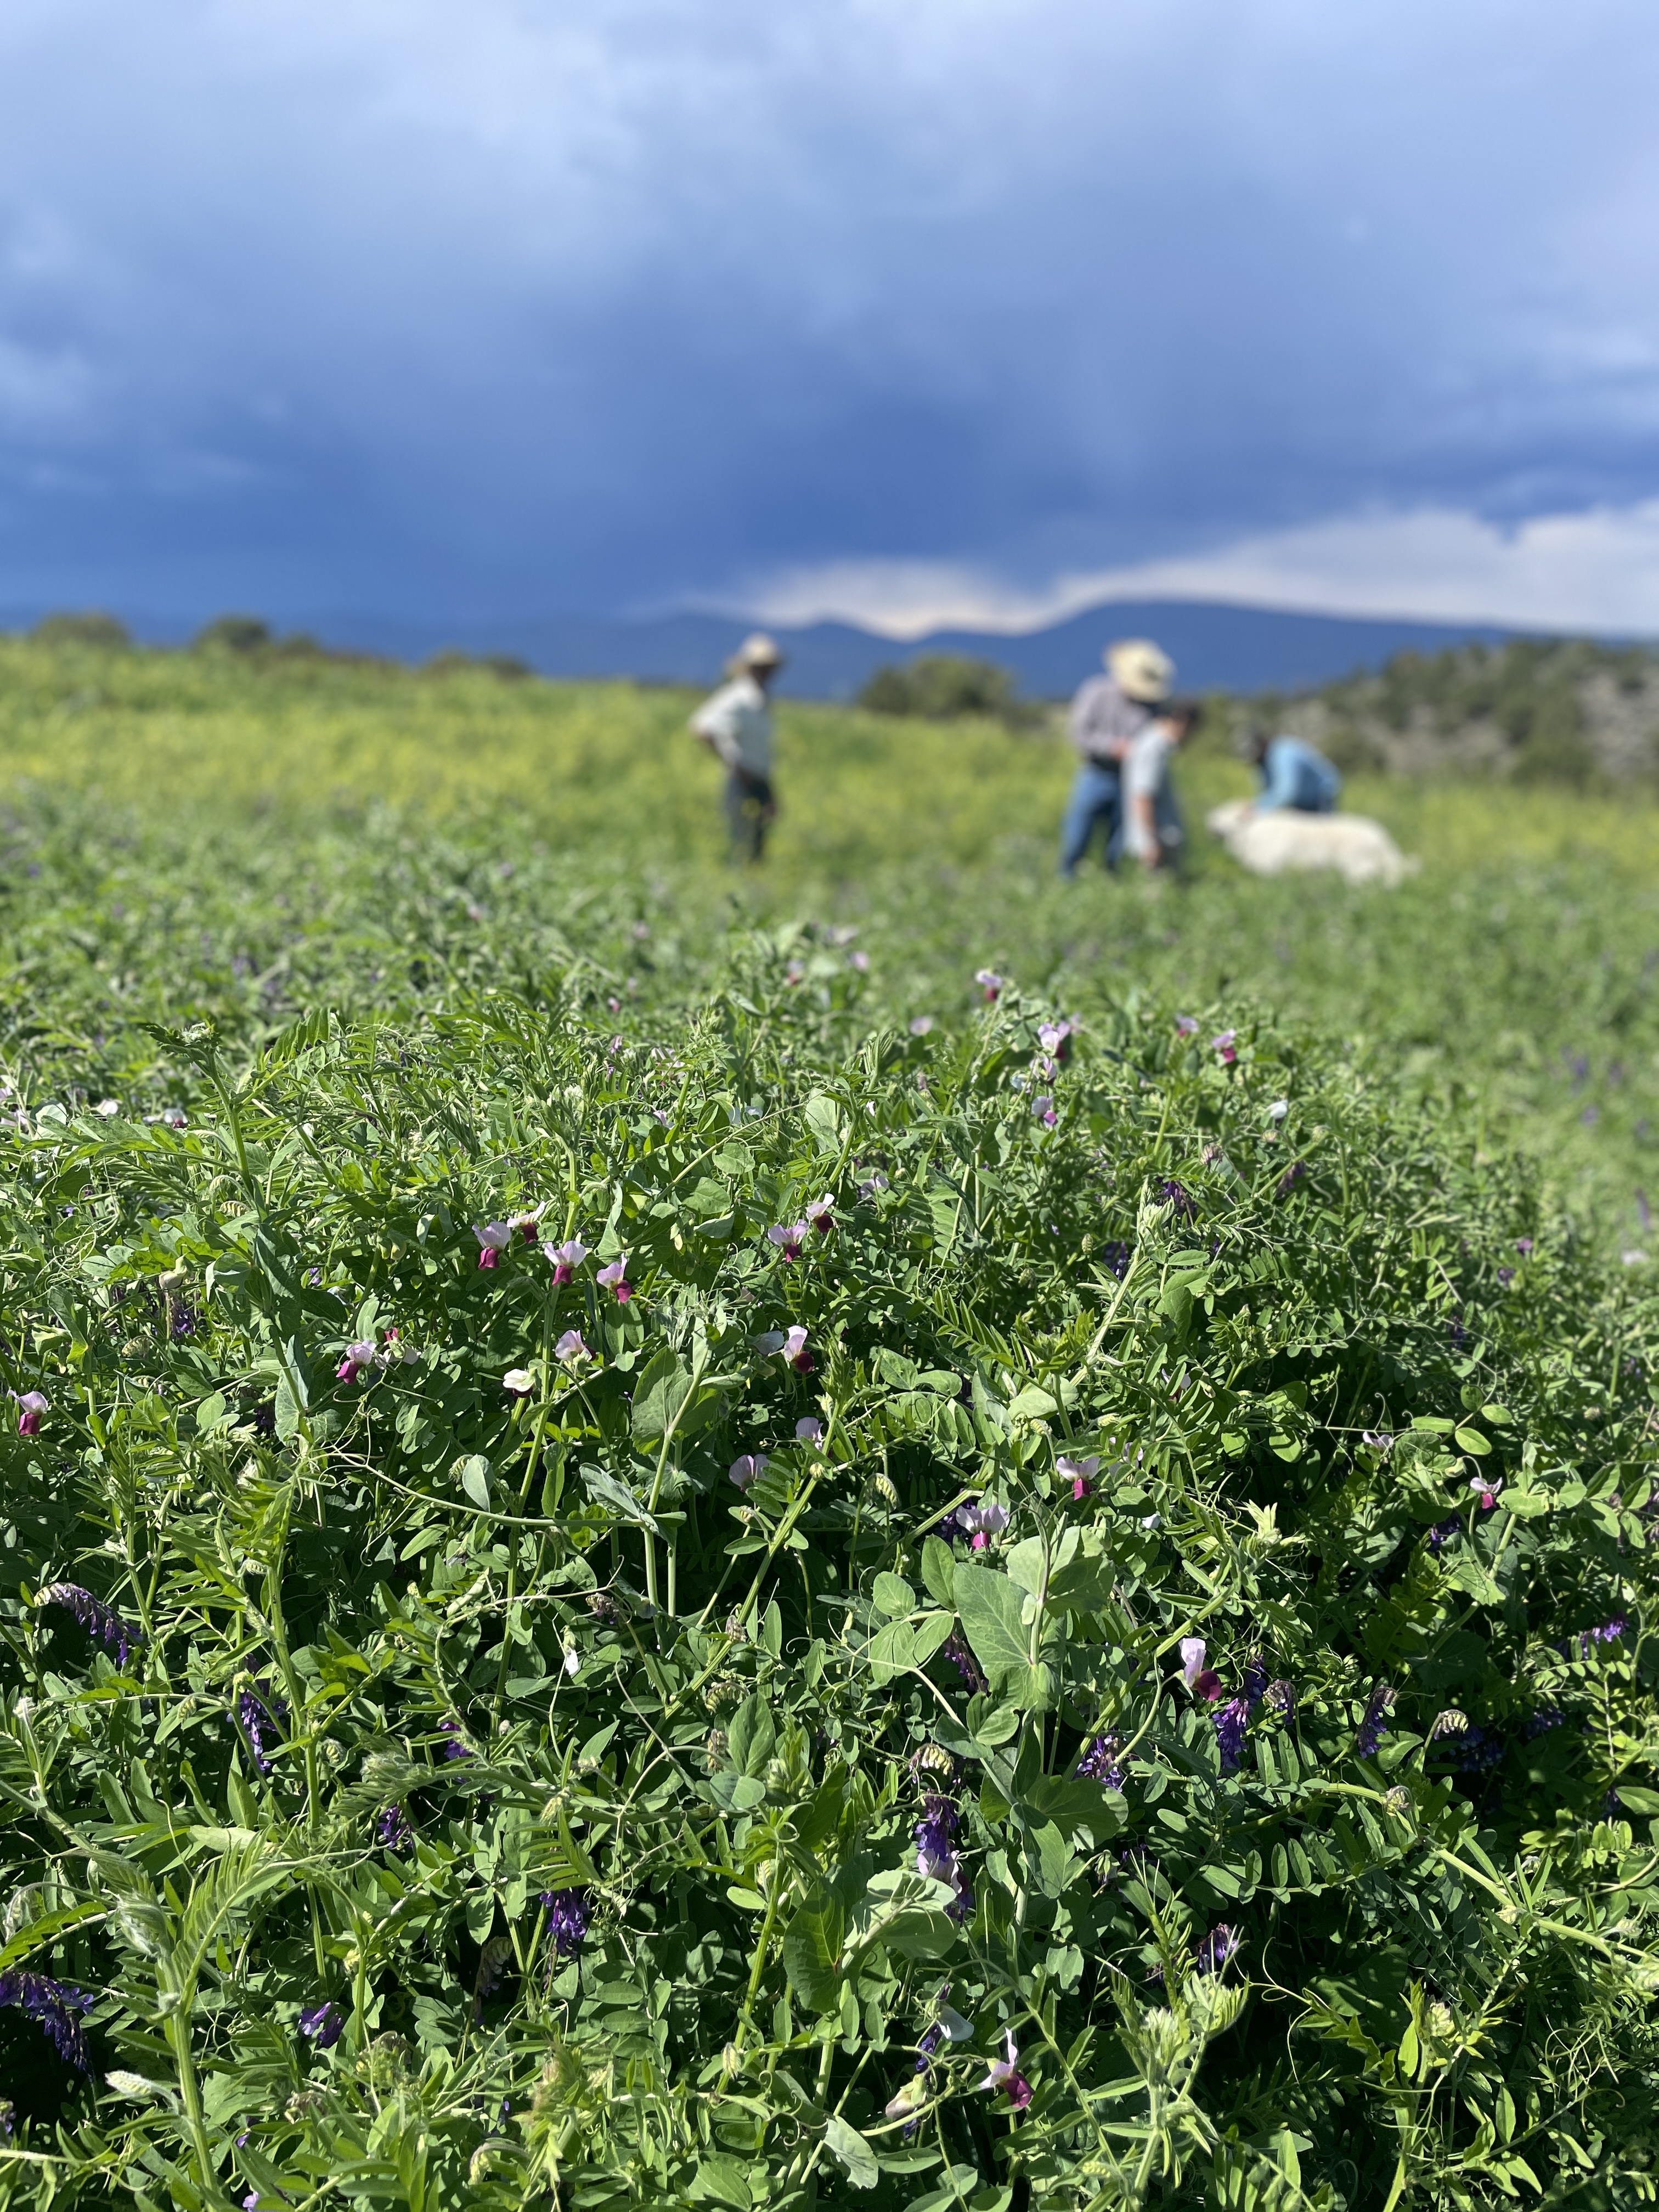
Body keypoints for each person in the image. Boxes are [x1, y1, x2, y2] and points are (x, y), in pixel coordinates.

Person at [1058, 638, 1174, 875]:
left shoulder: (1154, 707)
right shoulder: (1096, 692)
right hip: (1096, 773)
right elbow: (1080, 734)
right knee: (1076, 836)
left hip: (1131, 780)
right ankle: (1065, 879)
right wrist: (1113, 747)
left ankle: (1113, 882)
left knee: (1120, 842)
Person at [690, 633, 785, 860]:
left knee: (757, 847)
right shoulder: (738, 696)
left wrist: (769, 791)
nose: (766, 672)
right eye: (761, 667)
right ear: (750, 667)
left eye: (768, 667)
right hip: (742, 780)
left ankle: (754, 892)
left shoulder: (760, 698)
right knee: (743, 846)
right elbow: (702, 727)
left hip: (759, 778)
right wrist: (733, 762)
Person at [1122, 698, 1203, 873]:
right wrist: (1150, 842)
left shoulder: (1155, 745)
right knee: (1158, 895)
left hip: (1161, 838)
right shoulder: (1153, 748)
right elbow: (1143, 796)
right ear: (1182, 722)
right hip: (1159, 841)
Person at [1248, 729, 1341, 815]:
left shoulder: (1283, 754)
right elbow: (1269, 792)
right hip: (1301, 801)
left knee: (1320, 830)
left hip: (1320, 796)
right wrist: (1256, 806)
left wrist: (1258, 811)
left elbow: (1287, 793)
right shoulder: (1264, 762)